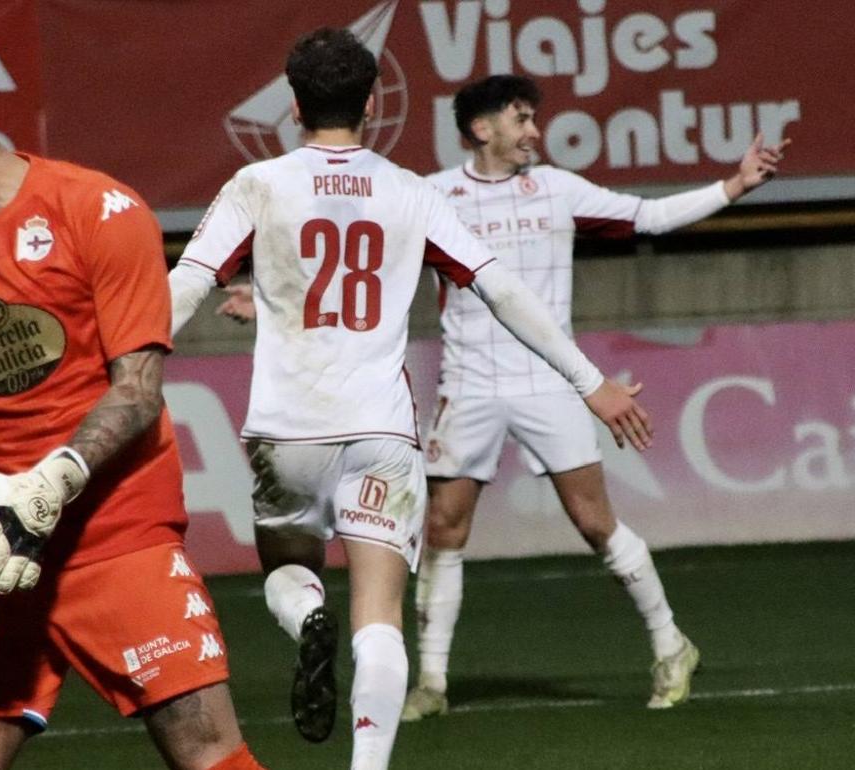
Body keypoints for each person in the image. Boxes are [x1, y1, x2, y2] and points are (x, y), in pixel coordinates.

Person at [168, 30, 650, 770]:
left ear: (293, 106)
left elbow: (189, 283)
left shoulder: (257, 185)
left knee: (286, 572)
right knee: (380, 617)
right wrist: (590, 382)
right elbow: (502, 290)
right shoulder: (410, 191)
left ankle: (307, 618)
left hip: (287, 429)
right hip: (382, 434)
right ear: (371, 104)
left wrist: (119, 361)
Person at [0, 40, 265, 770]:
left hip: (117, 539)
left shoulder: (98, 211)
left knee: (207, 754)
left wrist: (56, 478)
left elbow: (138, 391)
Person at [396, 74, 791, 721]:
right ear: (480, 129)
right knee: (443, 528)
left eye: (533, 118)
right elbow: (369, 262)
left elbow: (650, 215)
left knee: (593, 521)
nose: (533, 130)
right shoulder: (434, 196)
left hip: (553, 381)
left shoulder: (557, 189)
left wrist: (735, 186)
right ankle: (433, 683)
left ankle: (671, 645)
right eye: (521, 119)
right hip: (467, 384)